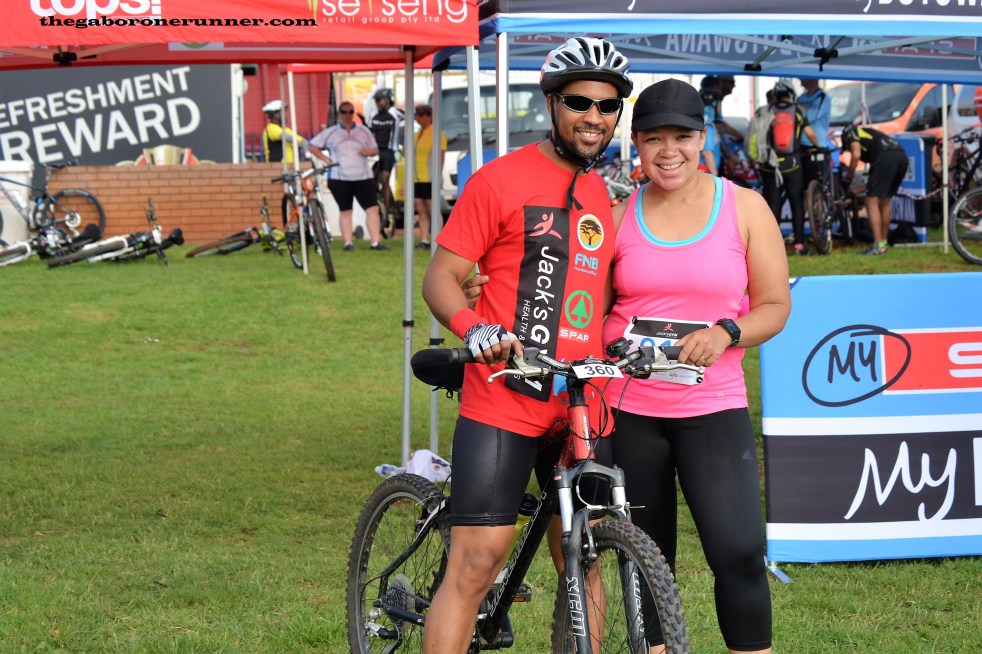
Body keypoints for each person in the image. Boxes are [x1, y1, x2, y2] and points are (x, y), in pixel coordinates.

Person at [419, 37, 633, 654]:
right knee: (478, 560)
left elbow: (600, 292)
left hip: (581, 399)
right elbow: (440, 277)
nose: (594, 116)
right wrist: (473, 326)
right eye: (580, 102)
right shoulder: (499, 180)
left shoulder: (603, 195)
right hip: (505, 392)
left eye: (608, 105)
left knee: (583, 555)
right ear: (551, 103)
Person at [604, 77, 791, 654]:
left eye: (681, 136)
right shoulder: (617, 215)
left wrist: (726, 331)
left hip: (713, 407)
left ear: (702, 137)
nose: (669, 151)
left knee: (739, 551)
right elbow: (586, 309)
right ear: (635, 143)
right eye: (653, 138)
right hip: (630, 410)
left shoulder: (744, 207)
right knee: (645, 557)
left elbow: (775, 306)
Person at [307, 101, 386, 251]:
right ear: (340, 114)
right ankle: (348, 243)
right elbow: (312, 145)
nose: (347, 115)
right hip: (340, 177)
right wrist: (325, 159)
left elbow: (375, 149)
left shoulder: (363, 131)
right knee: (345, 210)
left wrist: (368, 152)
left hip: (363, 176)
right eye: (344, 112)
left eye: (350, 111)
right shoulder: (331, 132)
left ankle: (375, 242)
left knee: (372, 209)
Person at [757, 80, 820, 255]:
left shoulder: (766, 110)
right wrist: (818, 145)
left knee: (773, 206)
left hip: (769, 165)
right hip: (792, 165)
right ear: (791, 94)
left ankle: (772, 247)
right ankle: (799, 245)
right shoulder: (797, 110)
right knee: (797, 204)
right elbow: (810, 133)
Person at [840, 124, 909, 255]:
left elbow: (856, 155)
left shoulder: (852, 133)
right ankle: (883, 244)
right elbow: (875, 182)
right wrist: (853, 192)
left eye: (848, 148)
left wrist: (849, 177)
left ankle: (877, 245)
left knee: (870, 202)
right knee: (884, 202)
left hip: (885, 156)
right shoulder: (872, 139)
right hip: (901, 156)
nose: (849, 150)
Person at [412, 104, 447, 250]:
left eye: (421, 114)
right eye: (416, 114)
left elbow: (441, 156)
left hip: (430, 177)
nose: (418, 117)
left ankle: (438, 240)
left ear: (429, 116)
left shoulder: (437, 133)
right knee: (421, 209)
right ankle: (424, 239)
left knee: (433, 209)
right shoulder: (415, 134)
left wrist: (438, 176)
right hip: (416, 177)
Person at [366, 88, 402, 218]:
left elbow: (412, 115)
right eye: (376, 101)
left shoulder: (395, 113)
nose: (377, 103)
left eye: (379, 100)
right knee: (371, 179)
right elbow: (368, 131)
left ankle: (386, 211)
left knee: (385, 179)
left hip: (388, 151)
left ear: (387, 100)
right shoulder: (373, 114)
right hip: (375, 150)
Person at [797, 77, 833, 187]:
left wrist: (803, 111)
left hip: (818, 144)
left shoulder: (823, 97)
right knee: (803, 182)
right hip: (802, 144)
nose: (800, 79)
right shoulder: (801, 98)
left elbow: (809, 116)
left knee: (820, 182)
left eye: (803, 77)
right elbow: (797, 115)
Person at [261, 100, 305, 164]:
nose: (285, 115)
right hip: (277, 167)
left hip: (291, 166)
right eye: (282, 112)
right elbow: (286, 137)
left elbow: (303, 142)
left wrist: (307, 151)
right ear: (275, 115)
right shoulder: (271, 128)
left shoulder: (286, 130)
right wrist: (300, 143)